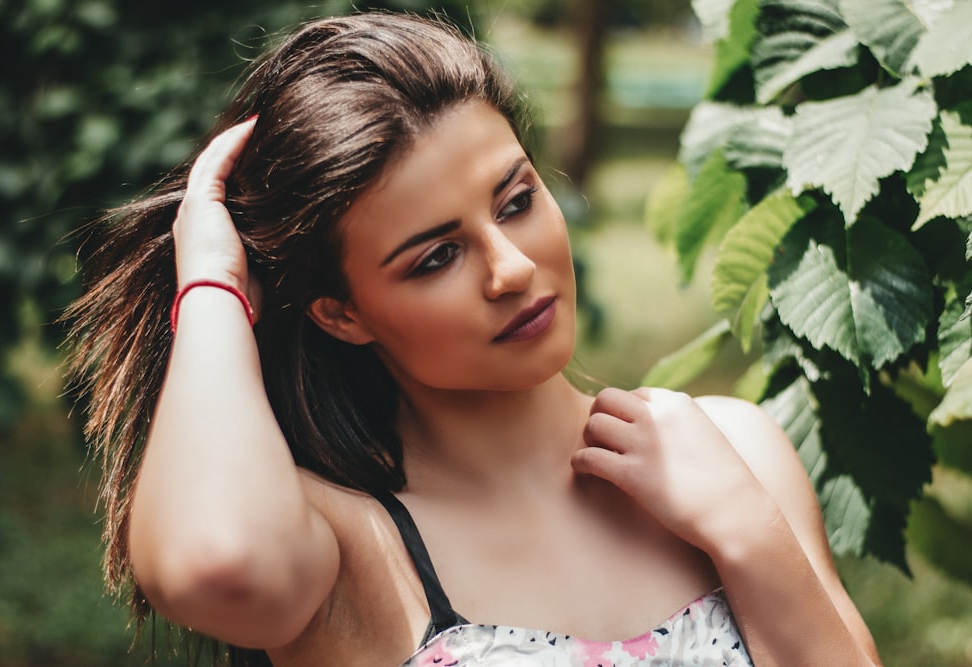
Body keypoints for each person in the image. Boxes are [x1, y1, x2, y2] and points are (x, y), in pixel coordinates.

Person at [66, 12, 882, 667]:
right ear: (340, 312)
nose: (512, 266)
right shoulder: (352, 553)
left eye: (517, 199)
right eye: (437, 256)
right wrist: (211, 279)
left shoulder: (732, 450)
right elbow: (215, 561)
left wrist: (743, 530)